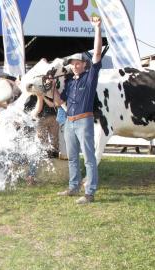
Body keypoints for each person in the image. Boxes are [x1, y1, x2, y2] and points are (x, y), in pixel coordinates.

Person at [53, 17, 102, 204]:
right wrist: (53, 88)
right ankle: (73, 187)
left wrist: (97, 28)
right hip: (69, 121)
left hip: (84, 121)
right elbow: (59, 101)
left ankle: (89, 193)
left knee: (89, 159)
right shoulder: (70, 83)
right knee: (72, 158)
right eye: (73, 63)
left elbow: (97, 53)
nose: (74, 65)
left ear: (84, 65)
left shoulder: (90, 77)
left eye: (78, 63)